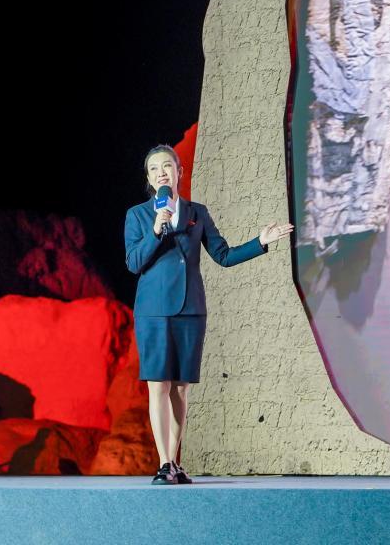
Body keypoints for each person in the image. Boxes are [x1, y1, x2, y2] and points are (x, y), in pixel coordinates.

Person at [123, 144, 294, 484]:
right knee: (158, 385)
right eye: (154, 168)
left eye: (167, 166)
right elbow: (134, 262)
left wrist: (260, 241)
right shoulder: (138, 215)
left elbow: (223, 255)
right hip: (154, 312)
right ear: (149, 178)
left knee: (181, 389)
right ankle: (164, 462)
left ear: (179, 172)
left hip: (191, 310)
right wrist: (156, 230)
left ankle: (174, 463)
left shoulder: (197, 212)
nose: (161, 173)